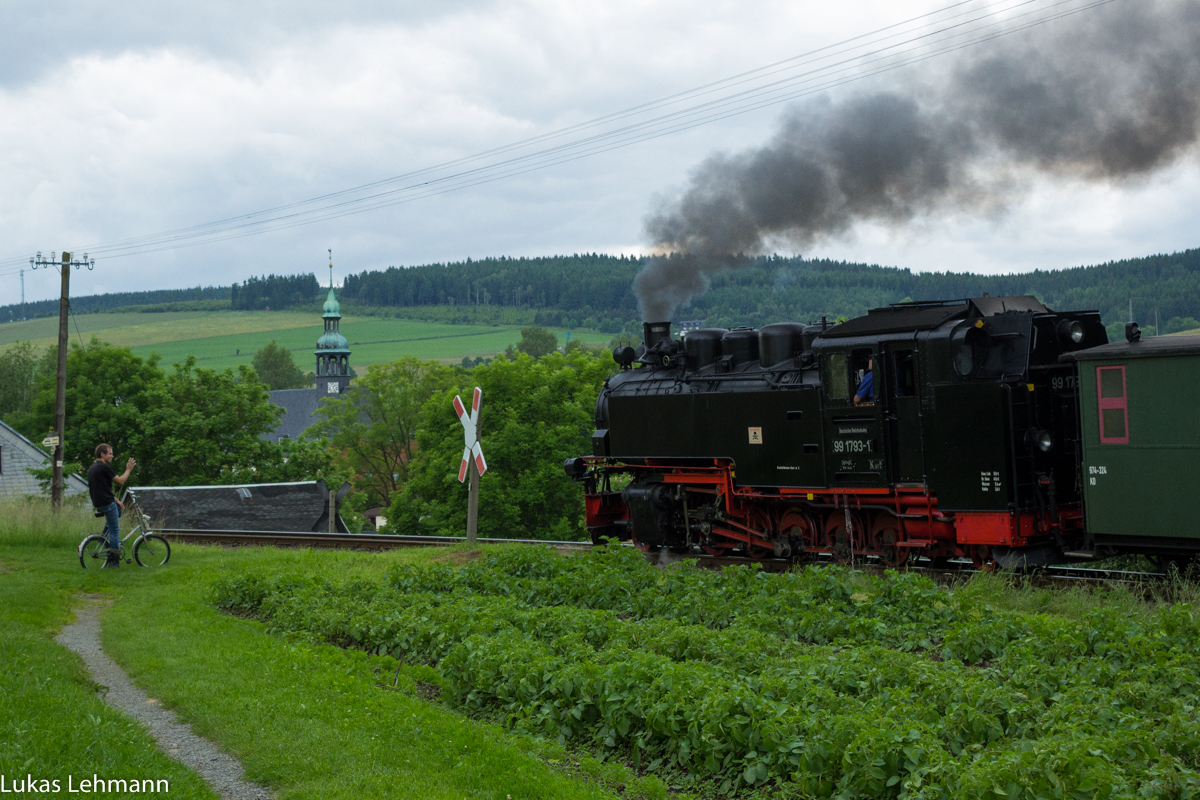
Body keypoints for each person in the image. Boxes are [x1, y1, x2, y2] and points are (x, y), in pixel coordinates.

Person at [87, 444, 136, 568]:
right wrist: (128, 469)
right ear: (102, 454)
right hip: (107, 503)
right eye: (110, 453)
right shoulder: (105, 467)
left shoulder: (92, 468)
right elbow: (120, 481)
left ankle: (103, 537)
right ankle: (113, 561)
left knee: (118, 512)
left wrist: (116, 500)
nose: (112, 456)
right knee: (115, 531)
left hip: (99, 502)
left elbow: (102, 489)